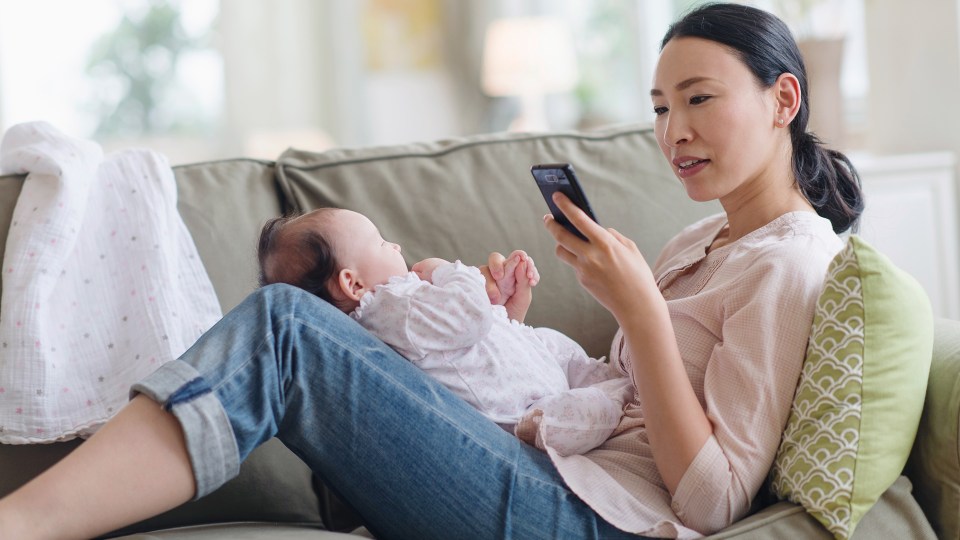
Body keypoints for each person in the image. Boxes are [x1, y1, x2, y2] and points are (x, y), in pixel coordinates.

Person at [0, 3, 864, 539]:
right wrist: (503, 328)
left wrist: (639, 313)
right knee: (303, 331)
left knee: (288, 328)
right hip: (555, 467)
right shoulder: (695, 242)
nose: (674, 130)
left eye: (699, 99)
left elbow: (711, 502)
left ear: (783, 99)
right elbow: (608, 398)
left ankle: (23, 524)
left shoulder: (790, 266)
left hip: (598, 518)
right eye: (660, 106)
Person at [256, 207, 632, 456]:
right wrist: (449, 270)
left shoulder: (399, 308)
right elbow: (468, 318)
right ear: (352, 285)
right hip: (525, 412)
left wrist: (502, 307)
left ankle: (610, 382)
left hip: (522, 385)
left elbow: (466, 346)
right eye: (382, 242)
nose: (396, 245)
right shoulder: (391, 307)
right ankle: (618, 391)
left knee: (550, 340)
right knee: (591, 407)